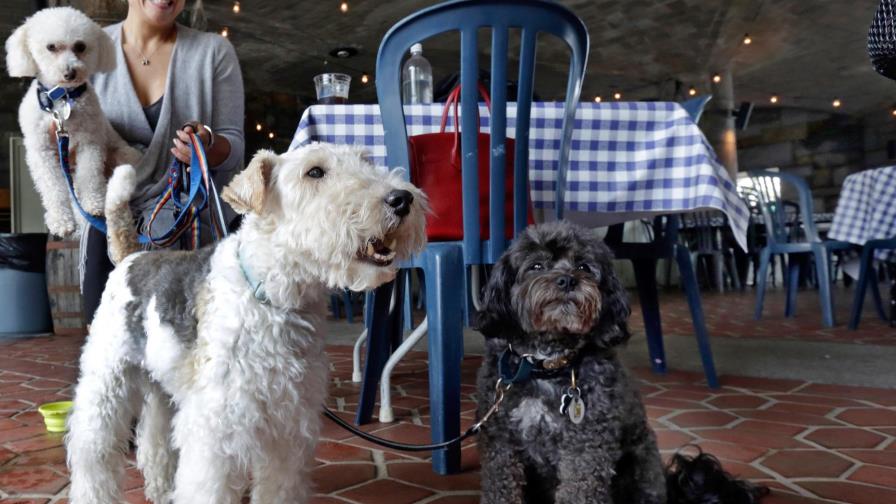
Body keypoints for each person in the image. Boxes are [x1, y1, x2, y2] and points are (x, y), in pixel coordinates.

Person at [82, 0, 245, 323]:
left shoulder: (214, 51)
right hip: (111, 221)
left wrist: (206, 145)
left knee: (192, 347)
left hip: (191, 228)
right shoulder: (88, 51)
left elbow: (235, 147)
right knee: (109, 349)